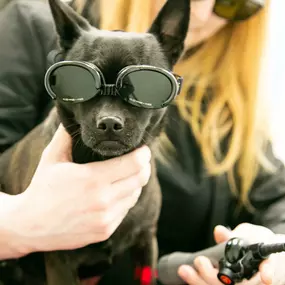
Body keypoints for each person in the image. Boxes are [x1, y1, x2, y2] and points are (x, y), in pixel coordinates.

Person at [0, 0, 285, 284]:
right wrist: (17, 224)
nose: (200, 13)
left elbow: (276, 198)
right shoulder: (34, 26)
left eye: (230, 3)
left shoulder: (230, 107)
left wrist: (273, 249)